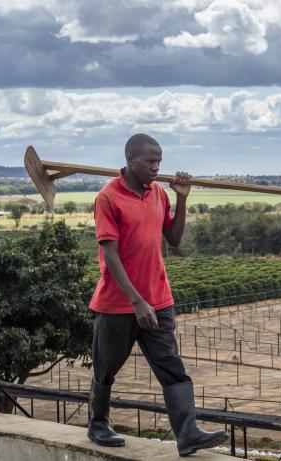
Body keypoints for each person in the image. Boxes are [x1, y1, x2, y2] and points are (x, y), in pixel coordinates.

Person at [86, 133, 228, 456]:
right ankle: (97, 423)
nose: (156, 167)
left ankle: (188, 433)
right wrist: (136, 302)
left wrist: (181, 198)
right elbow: (110, 255)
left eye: (159, 162)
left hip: (159, 299)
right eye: (150, 161)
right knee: (105, 366)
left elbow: (174, 239)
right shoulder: (108, 198)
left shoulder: (159, 195)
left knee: (171, 365)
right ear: (130, 159)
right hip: (118, 303)